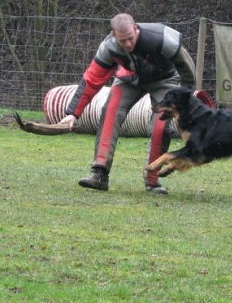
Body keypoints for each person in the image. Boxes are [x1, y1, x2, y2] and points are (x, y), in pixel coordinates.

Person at [59, 13, 196, 194]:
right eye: (123, 41)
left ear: (136, 29)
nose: (128, 44)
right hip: (129, 78)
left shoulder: (161, 37)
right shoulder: (108, 47)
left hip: (164, 80)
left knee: (159, 127)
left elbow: (186, 66)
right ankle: (99, 174)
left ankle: (152, 181)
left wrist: (186, 96)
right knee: (110, 112)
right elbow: (92, 80)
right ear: (114, 35)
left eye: (131, 38)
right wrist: (72, 113)